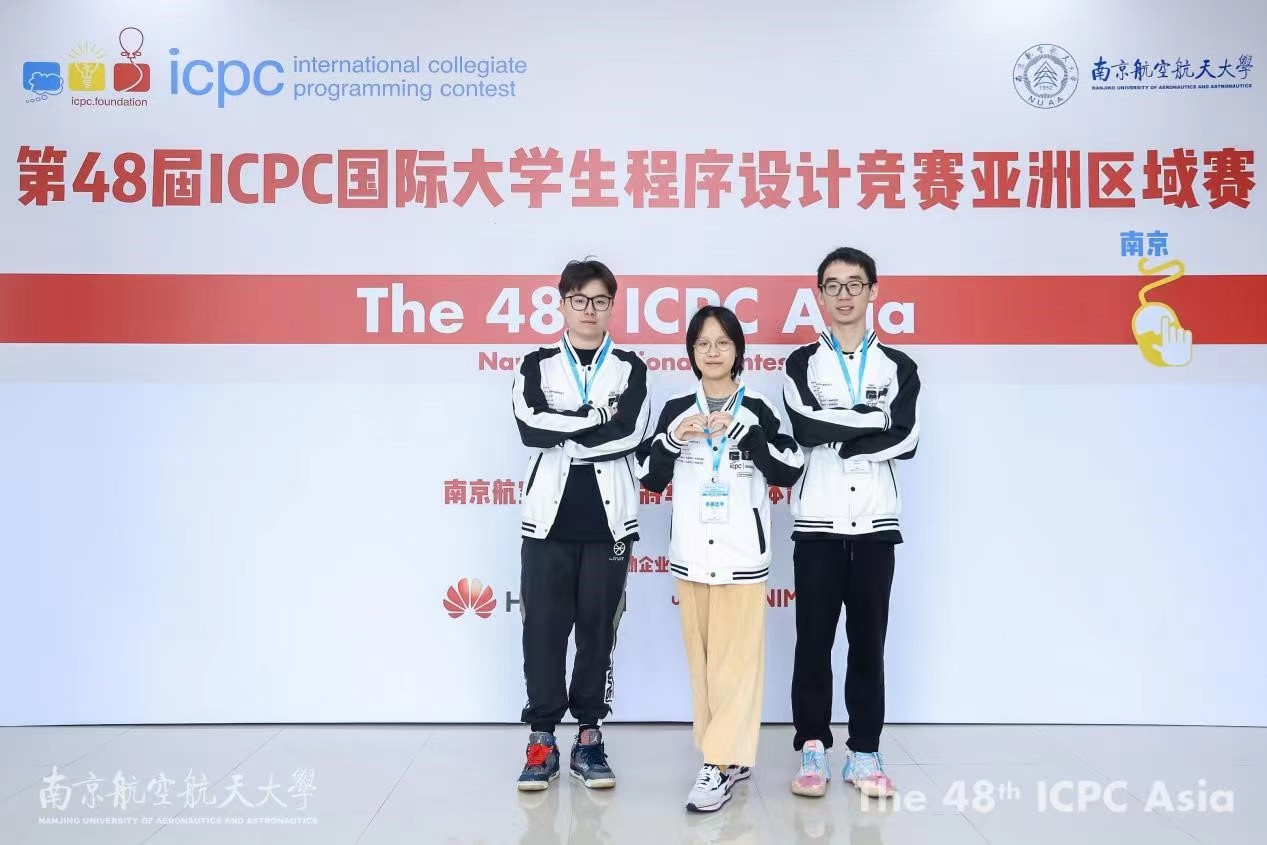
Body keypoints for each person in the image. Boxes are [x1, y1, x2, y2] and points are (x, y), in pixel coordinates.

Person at [637, 305, 804, 812]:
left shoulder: (759, 408)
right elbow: (648, 475)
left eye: (722, 343)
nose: (713, 352)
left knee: (737, 666)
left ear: (738, 350)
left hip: (741, 556)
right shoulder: (675, 409)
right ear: (691, 352)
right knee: (705, 666)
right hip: (691, 556)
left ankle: (716, 764)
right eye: (703, 343)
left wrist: (745, 434)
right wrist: (673, 439)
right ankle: (729, 758)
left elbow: (789, 467)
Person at [783, 247, 921, 799]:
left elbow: (907, 439)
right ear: (819, 295)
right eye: (833, 285)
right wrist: (872, 420)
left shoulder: (899, 366)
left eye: (854, 284)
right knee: (813, 642)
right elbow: (805, 426)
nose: (844, 295)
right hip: (818, 522)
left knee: (868, 644)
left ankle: (864, 753)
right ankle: (813, 747)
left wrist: (843, 434)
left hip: (875, 525)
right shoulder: (801, 363)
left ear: (873, 291)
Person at [511, 259, 650, 792]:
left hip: (608, 524)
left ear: (611, 306)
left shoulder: (631, 367)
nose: (589, 310)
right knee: (543, 631)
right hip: (547, 523)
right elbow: (530, 426)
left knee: (597, 632)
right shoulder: (536, 364)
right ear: (562, 304)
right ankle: (542, 738)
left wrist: (567, 432)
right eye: (579, 300)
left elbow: (630, 433)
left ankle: (589, 735)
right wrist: (595, 419)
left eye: (599, 301)